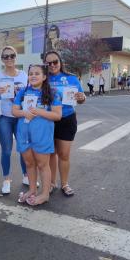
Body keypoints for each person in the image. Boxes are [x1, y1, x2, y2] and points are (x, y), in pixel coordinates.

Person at [13, 65, 62, 206]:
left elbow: (57, 115)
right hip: (23, 134)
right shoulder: (22, 92)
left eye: (37, 73)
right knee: (29, 163)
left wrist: (38, 111)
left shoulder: (52, 93)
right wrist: (24, 113)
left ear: (44, 77)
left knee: (42, 165)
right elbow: (14, 111)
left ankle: (45, 194)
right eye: (31, 74)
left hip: (42, 135)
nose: (33, 76)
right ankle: (32, 190)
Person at [44, 51, 86, 196]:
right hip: (48, 119)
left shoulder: (71, 78)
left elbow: (81, 99)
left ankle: (65, 184)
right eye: (48, 63)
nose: (52, 65)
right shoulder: (43, 79)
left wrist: (81, 97)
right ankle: (51, 183)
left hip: (67, 119)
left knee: (64, 154)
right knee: (51, 154)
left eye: (55, 61)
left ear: (60, 62)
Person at [0, 46, 28, 194]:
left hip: (20, 116)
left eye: (11, 55)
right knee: (6, 150)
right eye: (6, 56)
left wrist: (21, 96)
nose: (9, 59)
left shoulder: (24, 75)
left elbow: (31, 94)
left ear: (16, 57)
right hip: (4, 117)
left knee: (23, 148)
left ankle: (26, 176)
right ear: (2, 59)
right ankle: (6, 180)